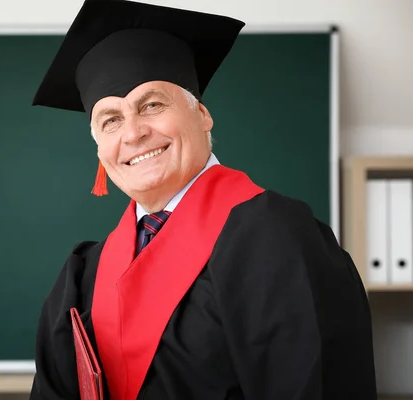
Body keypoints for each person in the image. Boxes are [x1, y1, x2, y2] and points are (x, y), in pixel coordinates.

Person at [29, 0, 378, 399]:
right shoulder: (83, 276)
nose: (133, 133)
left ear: (203, 114)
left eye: (152, 104)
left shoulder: (277, 237)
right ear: (99, 148)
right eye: (110, 120)